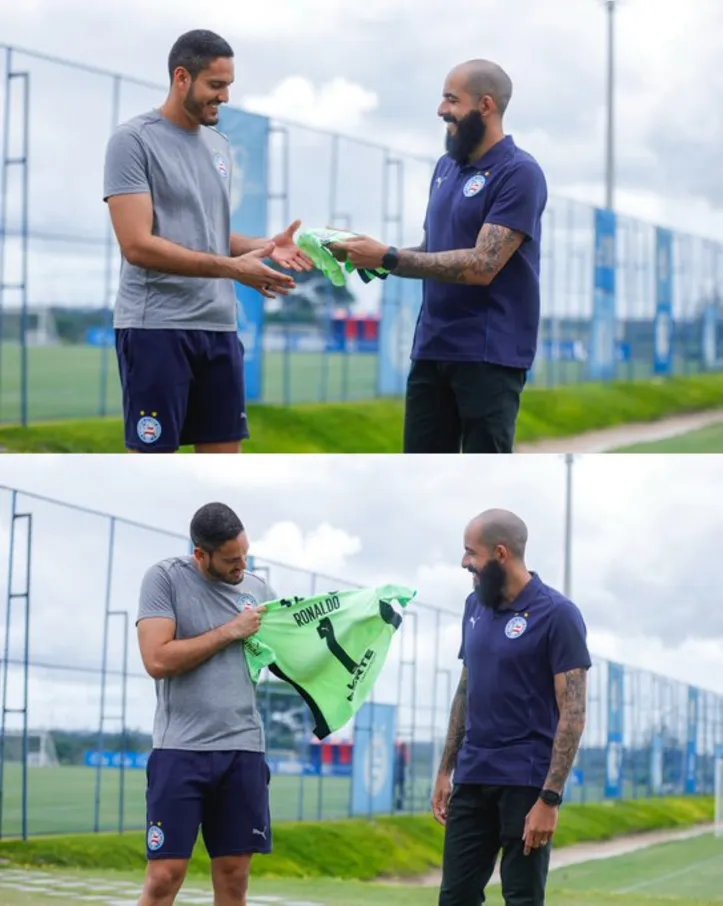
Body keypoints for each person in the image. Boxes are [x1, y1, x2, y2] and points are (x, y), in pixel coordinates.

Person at [103, 29, 312, 455]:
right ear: (182, 78)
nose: (226, 97)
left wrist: (266, 245)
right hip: (156, 329)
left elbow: (206, 232)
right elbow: (138, 245)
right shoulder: (133, 141)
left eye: (229, 85)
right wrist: (234, 269)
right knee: (153, 464)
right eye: (216, 86)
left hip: (218, 327)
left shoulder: (219, 145)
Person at [331, 61, 548, 455]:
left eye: (451, 100)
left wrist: (391, 258)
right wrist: (373, 255)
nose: (441, 110)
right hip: (432, 347)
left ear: (485, 105)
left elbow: (482, 265)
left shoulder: (520, 173)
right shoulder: (446, 168)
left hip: (487, 355)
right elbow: (433, 251)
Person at [432, 509, 591, 906]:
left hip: (525, 784)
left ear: (500, 553)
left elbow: (573, 713)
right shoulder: (475, 606)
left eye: (471, 553)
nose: (464, 562)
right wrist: (445, 769)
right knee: (455, 897)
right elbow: (467, 690)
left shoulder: (558, 614)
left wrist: (549, 799)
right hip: (472, 779)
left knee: (521, 898)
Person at [136, 502, 276, 906]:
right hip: (180, 750)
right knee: (165, 876)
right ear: (201, 554)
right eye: (231, 560)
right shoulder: (164, 579)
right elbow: (157, 660)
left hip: (244, 751)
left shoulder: (259, 591)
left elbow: (295, 650)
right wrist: (231, 631)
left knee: (234, 878)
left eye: (245, 556)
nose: (241, 567)